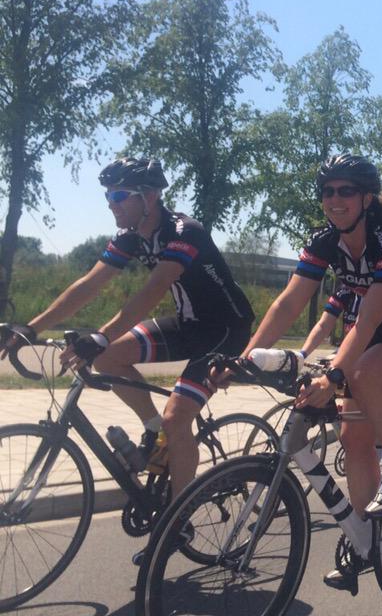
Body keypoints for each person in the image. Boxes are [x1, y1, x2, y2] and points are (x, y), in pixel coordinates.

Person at [234, 154, 382, 584]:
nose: (335, 199)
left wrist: (333, 375)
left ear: (367, 198)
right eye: (327, 191)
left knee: (363, 373)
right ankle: (365, 537)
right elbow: (288, 303)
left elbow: (367, 320)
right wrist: (246, 357)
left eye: (346, 191)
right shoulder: (325, 241)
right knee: (353, 438)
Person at [10, 157, 254, 504]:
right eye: (108, 196)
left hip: (226, 329)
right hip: (188, 324)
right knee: (108, 358)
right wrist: (30, 328)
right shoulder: (130, 237)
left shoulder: (185, 232)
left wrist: (101, 335)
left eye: (119, 196)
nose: (111, 204)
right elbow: (89, 285)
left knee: (177, 418)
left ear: (149, 196)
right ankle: (154, 429)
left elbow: (154, 289)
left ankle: (178, 517)